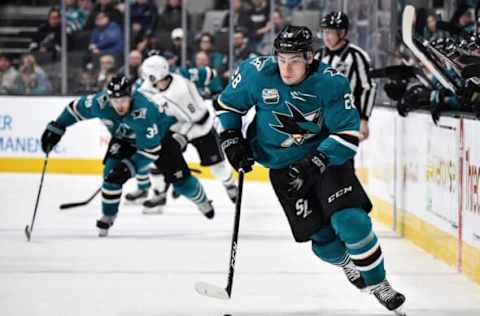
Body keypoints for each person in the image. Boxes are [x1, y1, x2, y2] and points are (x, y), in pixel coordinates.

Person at [216, 25, 406, 315]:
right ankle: (346, 262)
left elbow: (347, 134)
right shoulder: (255, 73)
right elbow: (227, 107)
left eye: (294, 61)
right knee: (323, 243)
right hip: (282, 168)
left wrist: (315, 162)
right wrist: (231, 140)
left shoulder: (331, 82)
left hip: (326, 162)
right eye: (281, 59)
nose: (286, 69)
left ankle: (380, 284)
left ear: (310, 57)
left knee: (351, 221)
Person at [40, 75, 215, 236]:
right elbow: (74, 110)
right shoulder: (99, 103)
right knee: (111, 175)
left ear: (131, 96)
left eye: (123, 100)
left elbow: (151, 152)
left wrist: (129, 167)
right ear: (108, 98)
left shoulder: (144, 113)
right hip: (124, 139)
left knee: (181, 183)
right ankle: (108, 216)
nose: (120, 105)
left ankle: (203, 202)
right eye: (115, 100)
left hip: (160, 140)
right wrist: (57, 127)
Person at [128, 55, 237, 214]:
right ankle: (159, 194)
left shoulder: (181, 86)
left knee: (218, 168)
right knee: (159, 156)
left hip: (202, 129)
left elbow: (201, 118)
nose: (144, 78)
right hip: (175, 127)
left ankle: (229, 184)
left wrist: (217, 95)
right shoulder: (146, 88)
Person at [315, 12, 376, 141]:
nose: (326, 36)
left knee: (341, 158)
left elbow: (367, 88)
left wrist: (364, 119)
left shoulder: (357, 56)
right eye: (324, 32)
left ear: (342, 33)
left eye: (330, 32)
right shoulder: (317, 56)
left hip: (345, 120)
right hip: (318, 121)